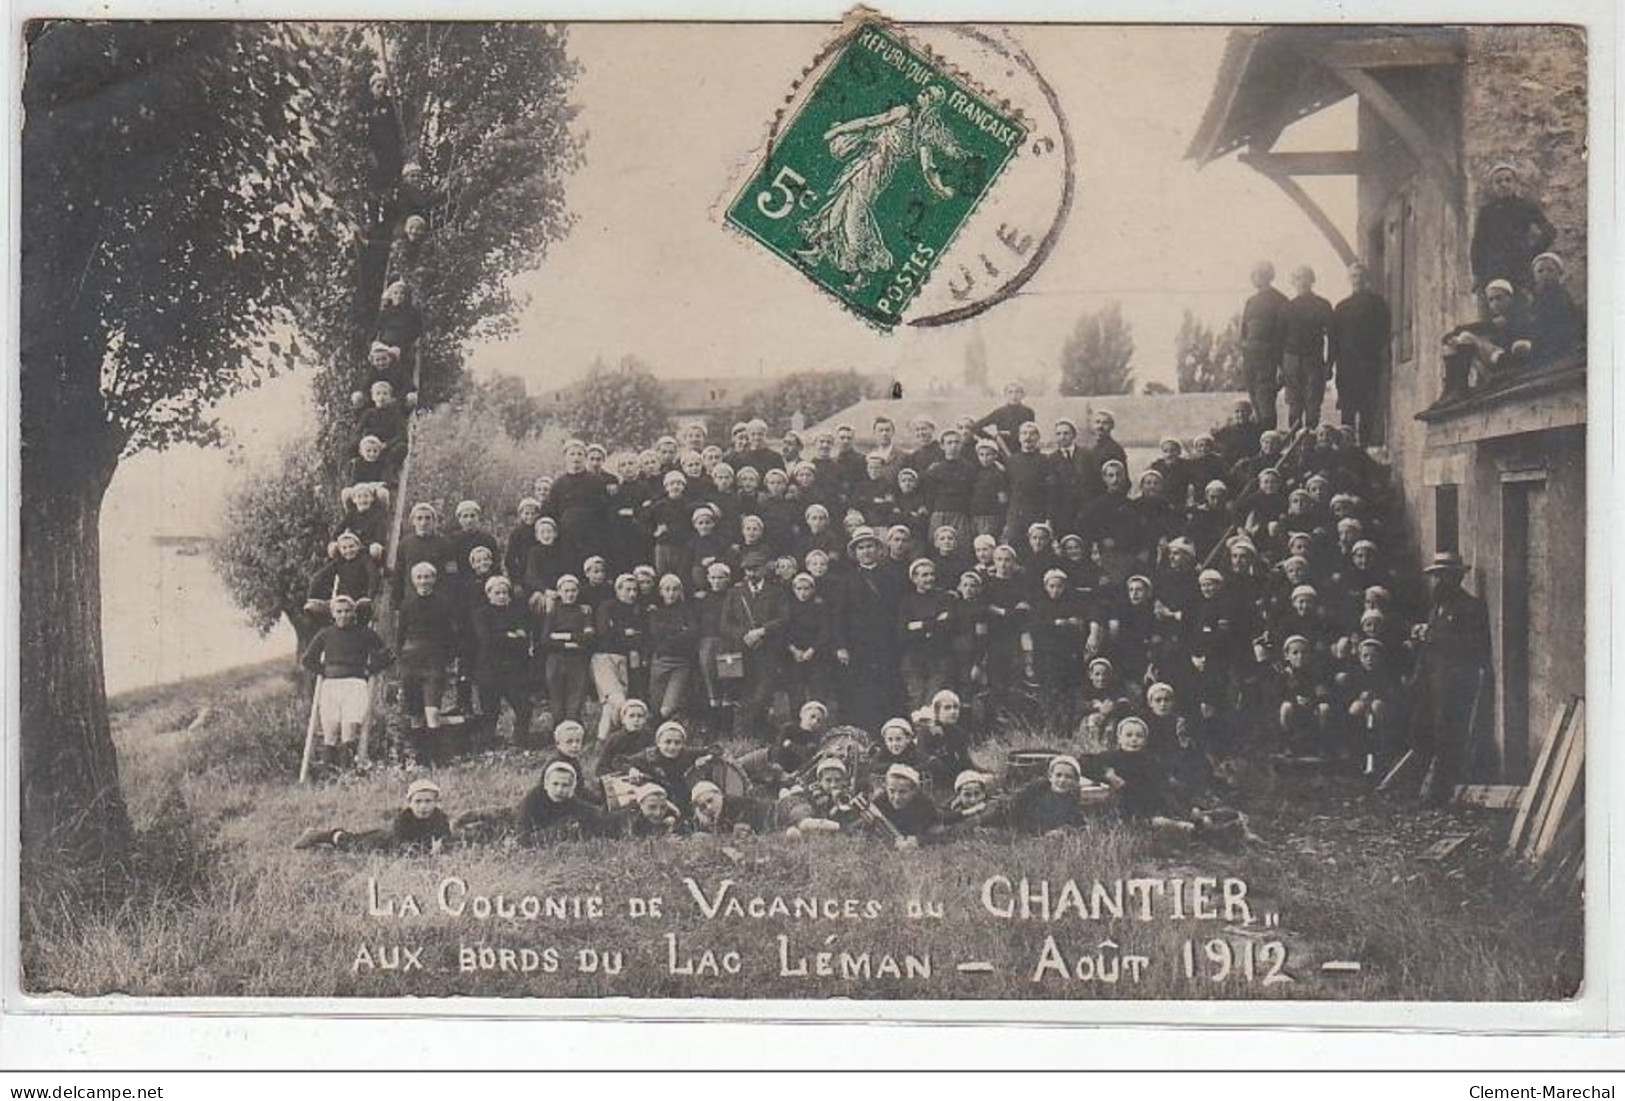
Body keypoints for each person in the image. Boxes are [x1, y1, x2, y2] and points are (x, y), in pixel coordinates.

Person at [1414, 551, 1492, 804]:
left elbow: (1473, 645)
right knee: (1429, 729)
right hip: (1433, 678)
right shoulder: (1437, 606)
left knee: (1449, 732)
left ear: (1457, 578)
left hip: (1456, 680)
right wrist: (1421, 634)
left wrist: (1434, 637)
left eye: (1444, 577)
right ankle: (1428, 786)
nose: (1438, 582)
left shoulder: (1471, 607)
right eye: (1436, 576)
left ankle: (1442, 791)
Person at [299, 594, 392, 774]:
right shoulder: (326, 633)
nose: (343, 615)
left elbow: (387, 656)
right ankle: (328, 775)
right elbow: (308, 659)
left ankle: (347, 774)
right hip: (331, 686)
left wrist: (370, 669)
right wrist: (324, 671)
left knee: (349, 729)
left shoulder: (365, 633)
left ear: (353, 612)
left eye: (347, 611)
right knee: (330, 730)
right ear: (333, 614)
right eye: (339, 611)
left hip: (355, 685)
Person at [721, 549, 790, 738]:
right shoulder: (735, 592)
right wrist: (744, 635)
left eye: (755, 569)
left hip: (768, 651)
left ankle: (760, 733)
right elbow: (725, 624)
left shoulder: (776, 591)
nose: (750, 573)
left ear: (764, 570)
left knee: (763, 694)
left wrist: (762, 631)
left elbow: (784, 618)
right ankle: (744, 737)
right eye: (747, 570)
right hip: (741, 650)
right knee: (743, 695)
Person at [293, 778, 452, 853]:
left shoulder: (440, 818)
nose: (423, 806)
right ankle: (322, 835)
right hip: (382, 842)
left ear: (436, 802)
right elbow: (399, 841)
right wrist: (411, 850)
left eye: (428, 801)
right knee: (352, 843)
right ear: (409, 803)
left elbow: (445, 837)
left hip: (415, 848)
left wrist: (441, 845)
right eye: (418, 801)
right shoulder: (404, 818)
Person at [469, 575, 535, 749]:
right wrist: (510, 635)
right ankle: (488, 746)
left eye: (505, 592)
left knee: (524, 706)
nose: (501, 596)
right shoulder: (481, 614)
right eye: (497, 593)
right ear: (489, 594)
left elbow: (524, 639)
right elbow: (486, 640)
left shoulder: (517, 613)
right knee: (490, 711)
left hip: (513, 671)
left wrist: (505, 636)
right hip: (489, 670)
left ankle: (520, 743)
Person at [1330, 261, 1392, 445]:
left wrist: (1383, 356)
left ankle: (1364, 449)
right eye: (1354, 276)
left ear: (1367, 279)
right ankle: (1345, 448)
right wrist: (1331, 363)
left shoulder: (1378, 304)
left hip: (1369, 363)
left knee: (1368, 409)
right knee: (1347, 409)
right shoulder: (1341, 307)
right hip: (1347, 365)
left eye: (1361, 276)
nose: (1357, 280)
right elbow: (1334, 339)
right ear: (1349, 279)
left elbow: (1385, 332)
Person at [1469, 163, 1556, 293]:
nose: (1504, 184)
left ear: (1515, 183)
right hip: (1495, 270)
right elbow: (1478, 244)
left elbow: (1550, 231)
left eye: (1508, 180)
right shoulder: (1487, 212)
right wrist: (1478, 273)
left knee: (1522, 306)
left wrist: (1532, 253)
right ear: (1493, 187)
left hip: (1520, 268)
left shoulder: (1525, 206)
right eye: (1498, 181)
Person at [1281, 265, 1334, 431]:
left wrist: (1329, 364)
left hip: (1313, 360)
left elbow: (1332, 337)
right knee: (1294, 405)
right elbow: (1279, 338)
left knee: (1313, 404)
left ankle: (1309, 442)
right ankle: (1294, 447)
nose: (1302, 282)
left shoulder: (1322, 305)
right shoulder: (1287, 307)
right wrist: (1280, 367)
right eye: (1298, 278)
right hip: (1291, 360)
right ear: (1293, 282)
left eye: (1305, 278)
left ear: (1312, 280)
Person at [540, 574, 595, 725]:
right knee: (557, 698)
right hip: (556, 658)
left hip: (577, 659)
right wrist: (567, 644)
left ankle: (573, 728)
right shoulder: (553, 612)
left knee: (576, 697)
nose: (570, 594)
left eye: (573, 590)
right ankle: (558, 731)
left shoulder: (584, 611)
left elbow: (588, 637)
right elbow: (545, 639)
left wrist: (562, 635)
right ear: (559, 592)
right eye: (566, 591)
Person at [1240, 261, 1289, 430]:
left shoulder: (1280, 300)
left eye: (1261, 274)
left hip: (1269, 356)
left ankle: (1269, 438)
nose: (1257, 278)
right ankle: (1260, 443)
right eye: (1254, 275)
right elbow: (1244, 330)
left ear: (1270, 276)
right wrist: (1244, 350)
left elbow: (1284, 333)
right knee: (1254, 400)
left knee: (1265, 400)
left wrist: (1281, 365)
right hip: (1250, 356)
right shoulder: (1251, 301)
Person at [518, 760, 606, 844]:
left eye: (565, 785)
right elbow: (523, 838)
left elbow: (592, 813)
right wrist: (561, 829)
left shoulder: (571, 801)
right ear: (546, 784)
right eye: (555, 784)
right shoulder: (532, 801)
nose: (559, 790)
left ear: (572, 787)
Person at [1527, 251, 1584, 365]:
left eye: (1550, 270)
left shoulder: (1561, 295)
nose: (1545, 274)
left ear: (1559, 274)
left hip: (1560, 336)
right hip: (1542, 337)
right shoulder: (1536, 297)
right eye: (1540, 271)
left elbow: (1567, 319)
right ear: (1534, 276)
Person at [970, 381, 1036, 454]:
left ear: (1023, 395)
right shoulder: (999, 413)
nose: (1014, 395)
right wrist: (994, 437)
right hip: (1004, 451)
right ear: (1005, 395)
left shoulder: (1029, 412)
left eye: (1017, 392)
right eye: (1010, 392)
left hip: (1023, 451)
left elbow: (1032, 433)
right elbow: (976, 427)